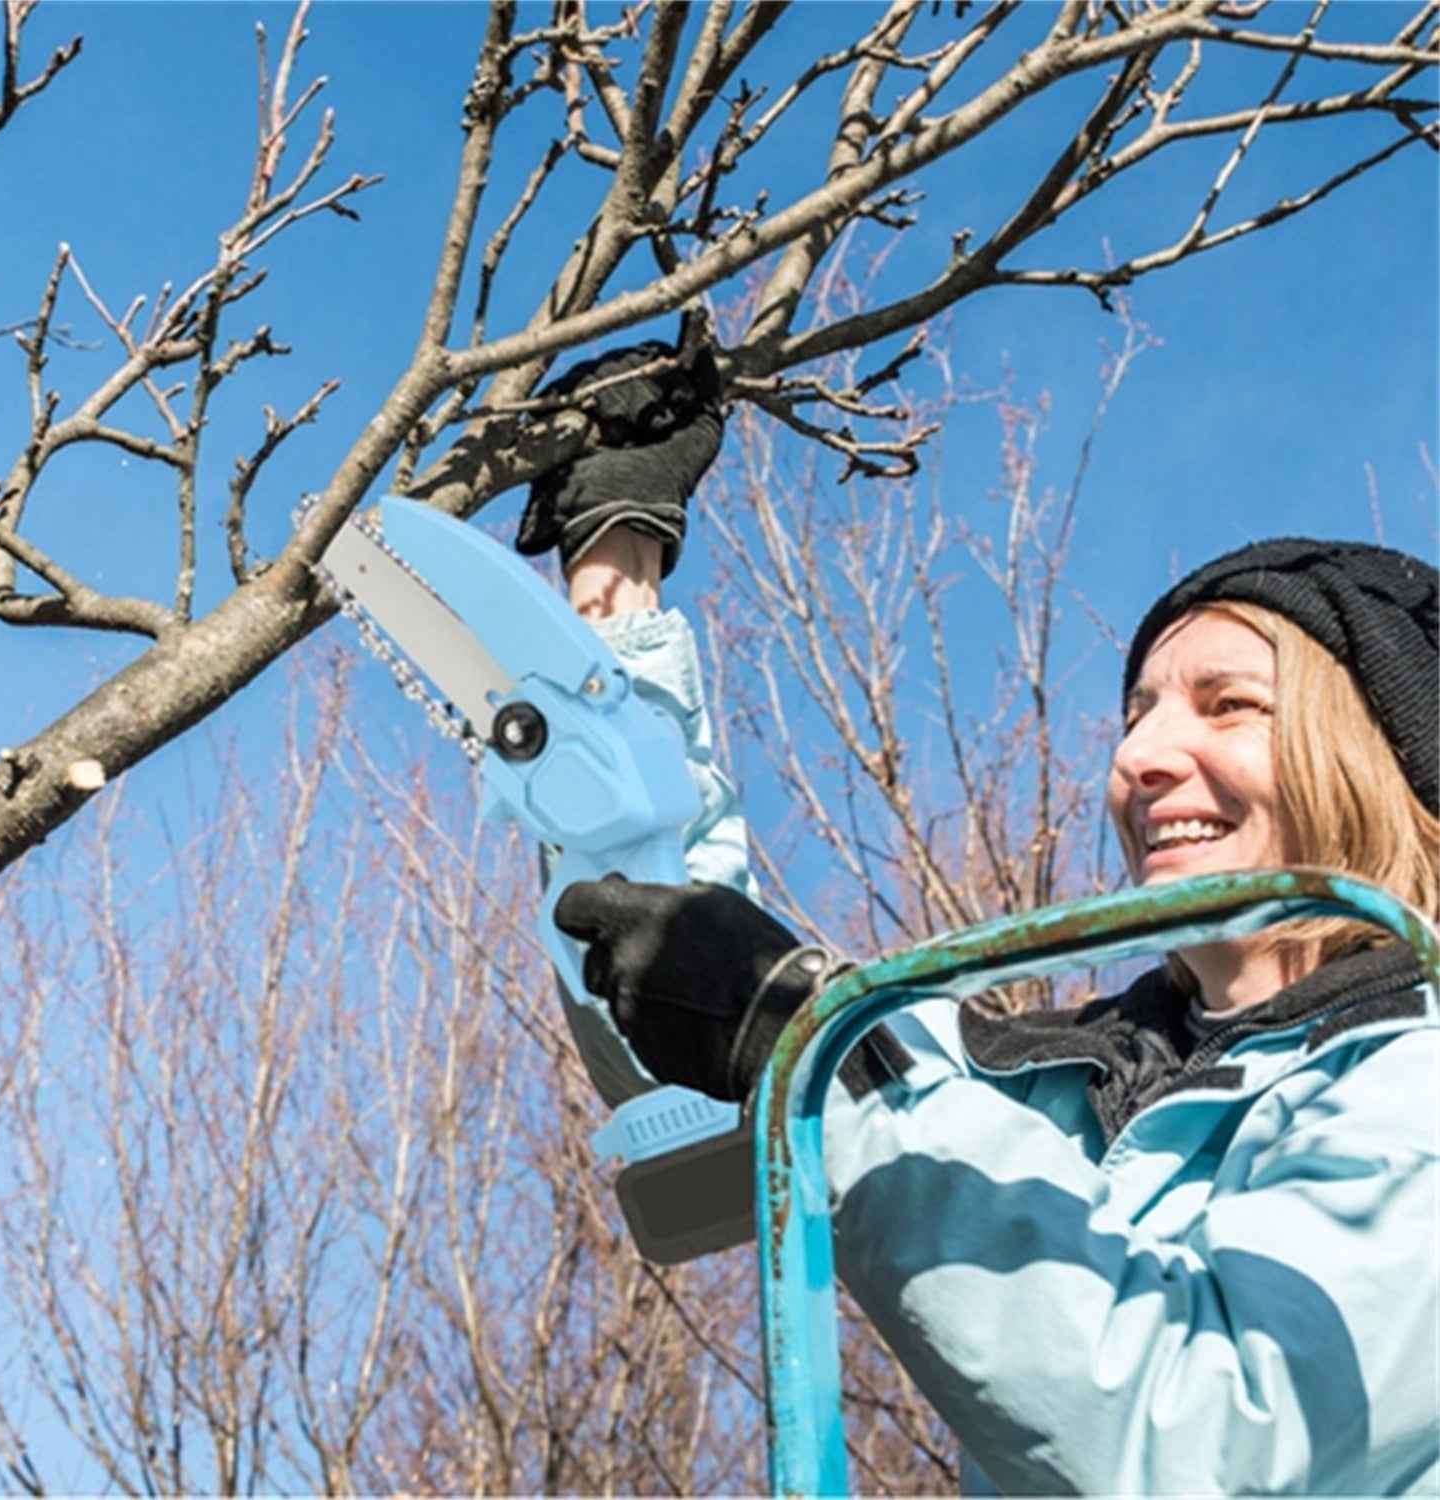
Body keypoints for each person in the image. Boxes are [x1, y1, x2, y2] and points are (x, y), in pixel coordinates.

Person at [518, 343, 1440, 1495]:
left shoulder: (1419, 1079)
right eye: (1138, 713)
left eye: (1228, 706)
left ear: (1375, 761)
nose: (1141, 757)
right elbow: (666, 987)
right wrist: (615, 592)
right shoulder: (1055, 1086)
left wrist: (817, 1047)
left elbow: (1206, 1448)